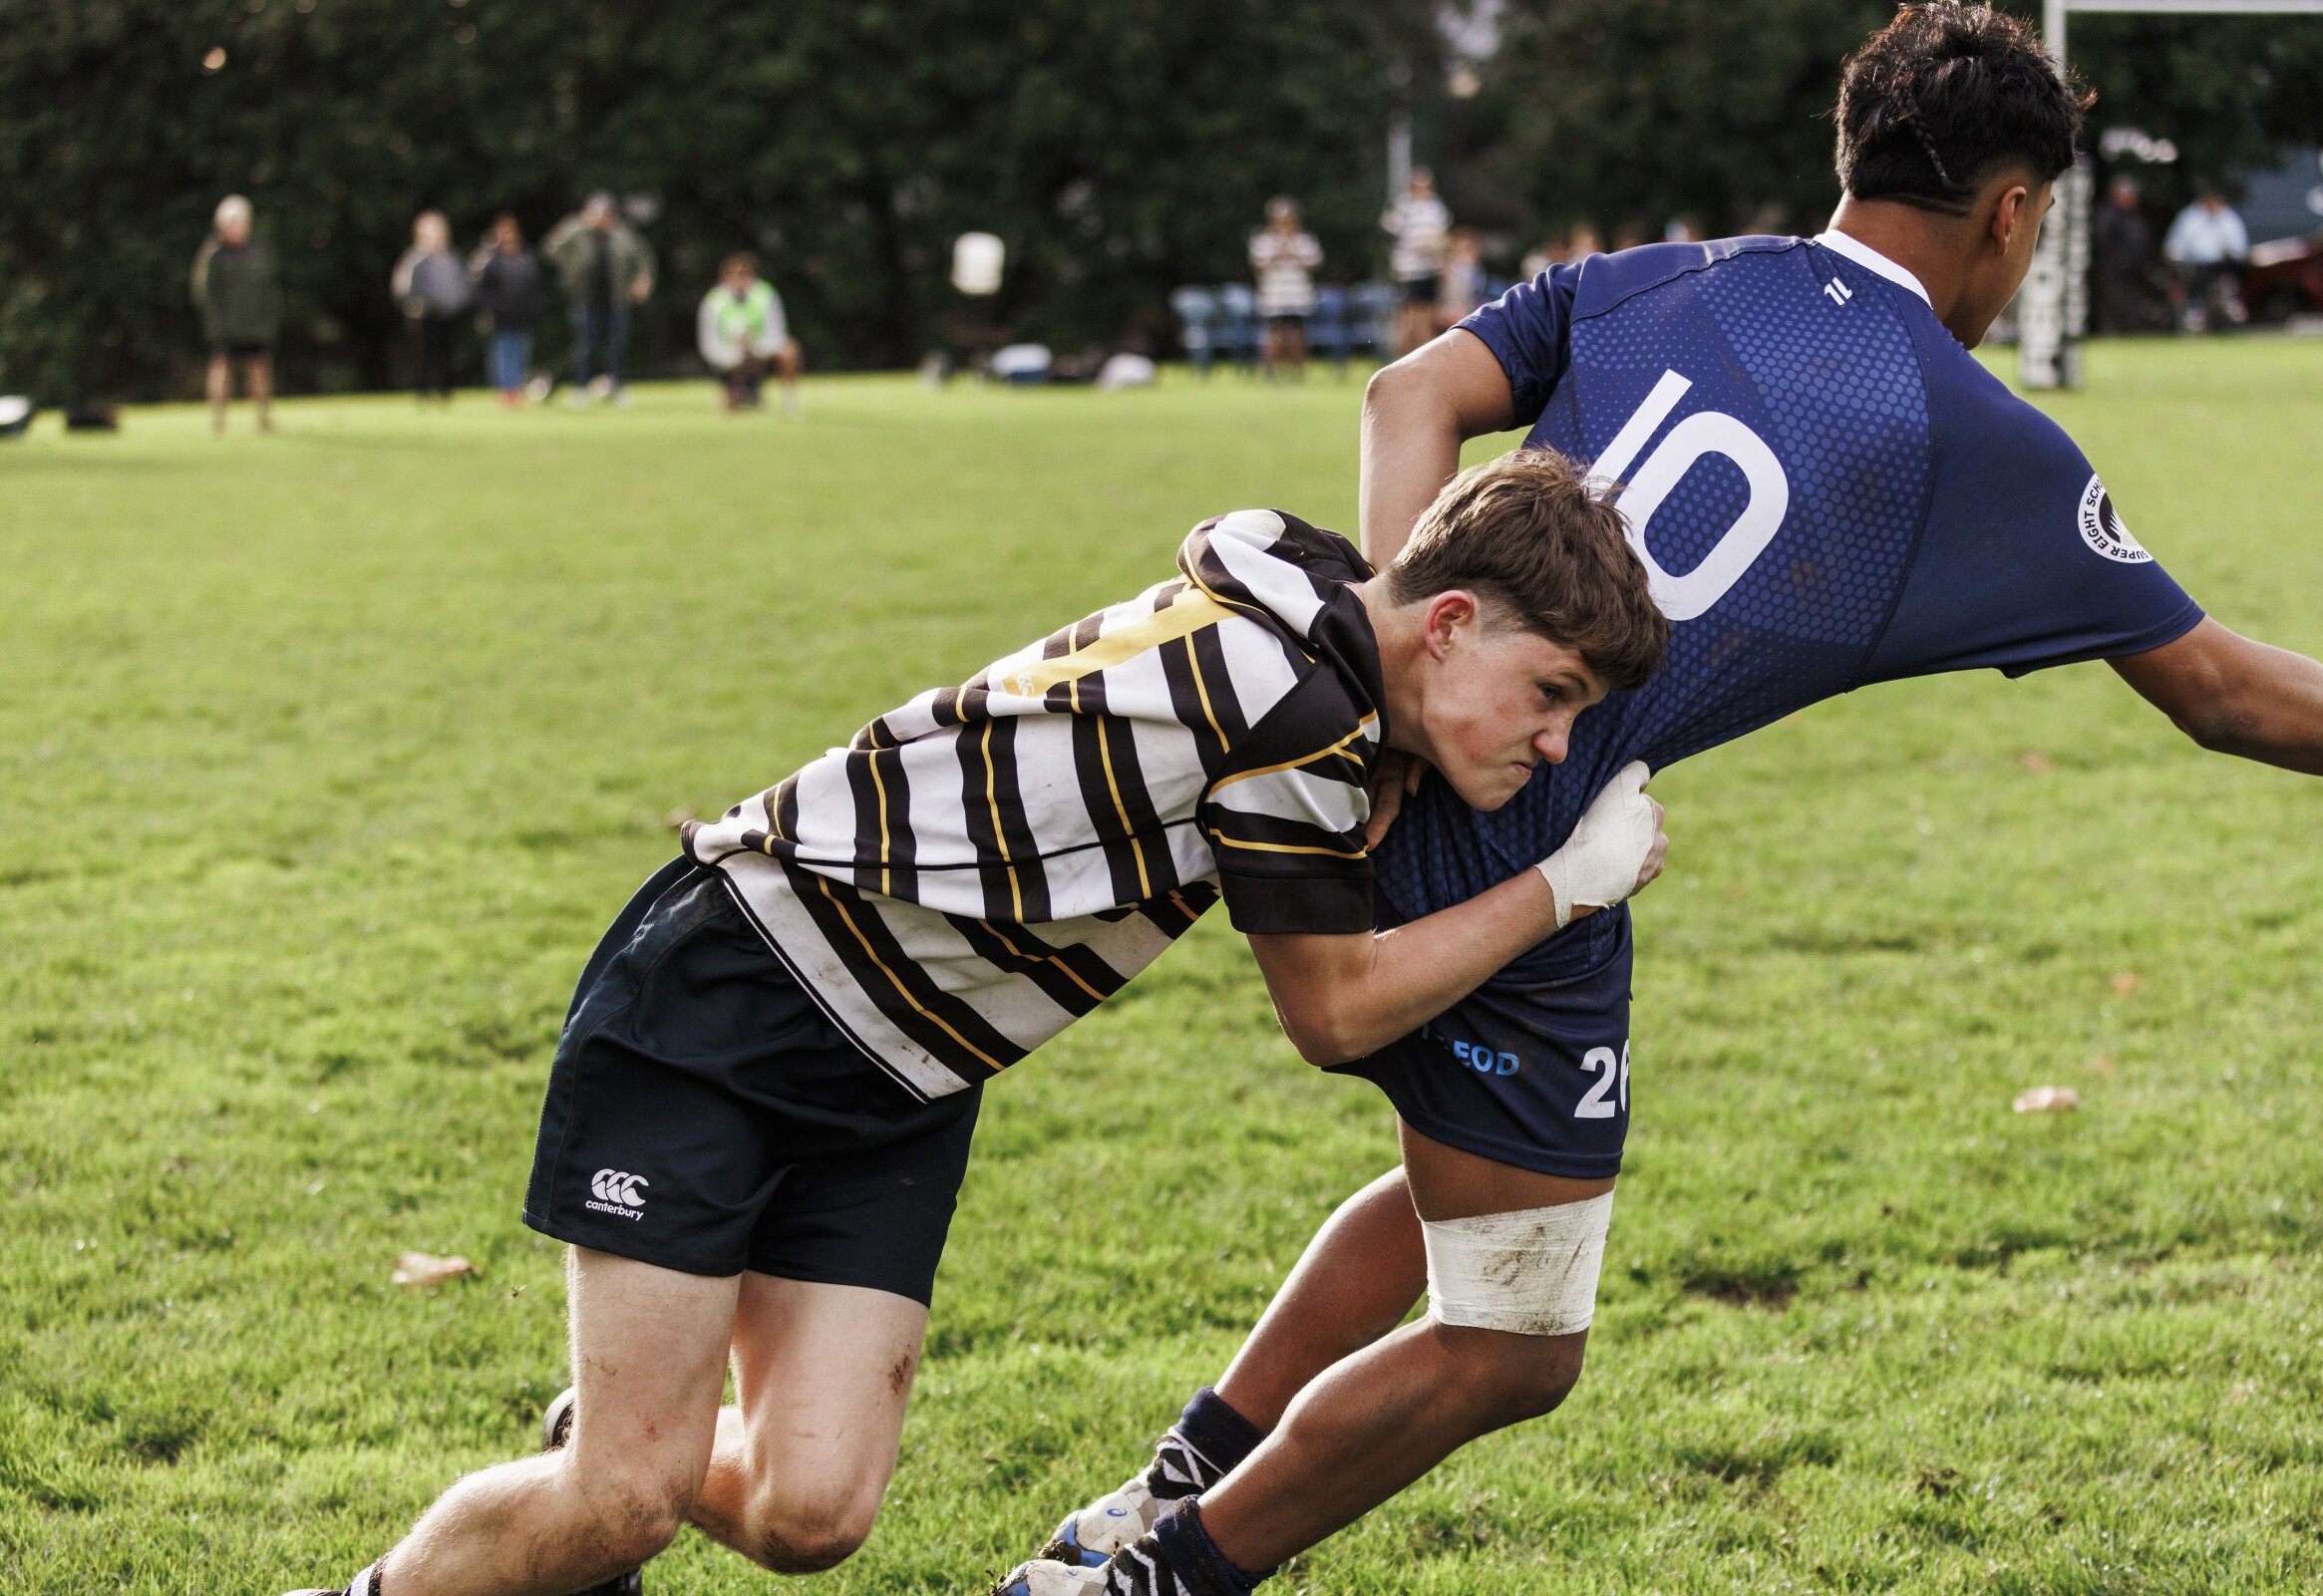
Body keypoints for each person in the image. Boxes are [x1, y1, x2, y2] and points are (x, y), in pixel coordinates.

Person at [1002, 9, 2323, 1596]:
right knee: (1513, 1339)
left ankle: (1170, 1484)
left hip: (1369, 767)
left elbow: (1407, 394)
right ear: (2014, 213)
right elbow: (2221, 689)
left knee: (1475, 1191)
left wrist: (1394, 697)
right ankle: (1141, 1581)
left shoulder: (1666, 274)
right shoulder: (1972, 435)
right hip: (1522, 834)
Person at [278, 449, 1678, 1596]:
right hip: (737, 997)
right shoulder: (1297, 719)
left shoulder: (1307, 596)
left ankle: (606, 1434)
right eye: (1552, 693)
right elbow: (1338, 1012)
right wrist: (1569, 883)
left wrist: (1403, 746)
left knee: (808, 1515)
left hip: (907, 1076)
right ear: (1447, 623)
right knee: (626, 1503)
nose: (1557, 742)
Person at [542, 191, 655, 407]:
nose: (602, 218)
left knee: (616, 345)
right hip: (585, 298)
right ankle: (580, 388)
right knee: (583, 346)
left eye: (606, 213)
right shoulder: (577, 232)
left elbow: (643, 258)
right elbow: (551, 249)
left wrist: (643, 279)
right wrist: (570, 266)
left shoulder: (623, 234)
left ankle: (617, 387)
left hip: (616, 298)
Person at [190, 194, 277, 436]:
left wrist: (267, 316)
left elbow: (268, 288)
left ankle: (264, 418)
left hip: (254, 325)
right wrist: (213, 319)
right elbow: (203, 290)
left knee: (259, 367)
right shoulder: (214, 254)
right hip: (226, 327)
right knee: (221, 367)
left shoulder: (257, 252)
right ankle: (218, 421)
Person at [696, 252, 802, 414]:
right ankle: (738, 392)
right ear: (726, 276)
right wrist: (734, 355)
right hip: (729, 360)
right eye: (737, 274)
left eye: (746, 273)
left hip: (759, 354)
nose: (742, 279)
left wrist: (755, 348)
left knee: (789, 349)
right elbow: (708, 344)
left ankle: (788, 399)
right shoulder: (714, 301)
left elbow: (777, 332)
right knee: (733, 407)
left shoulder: (765, 294)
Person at [391, 210, 473, 405]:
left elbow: (461, 285)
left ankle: (445, 391)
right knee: (423, 356)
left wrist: (459, 304)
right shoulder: (415, 257)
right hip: (423, 315)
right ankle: (422, 392)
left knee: (446, 356)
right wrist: (409, 303)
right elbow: (401, 285)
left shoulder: (451, 257)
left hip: (448, 315)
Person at [469, 213, 544, 408]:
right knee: (502, 356)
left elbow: (536, 287)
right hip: (500, 318)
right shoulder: (490, 261)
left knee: (522, 355)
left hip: (523, 317)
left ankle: (518, 390)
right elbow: (477, 283)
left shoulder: (526, 259)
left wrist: (533, 307)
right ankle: (505, 392)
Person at [1248, 197, 1324, 382]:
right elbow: (1259, 264)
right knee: (1274, 334)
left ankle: (1297, 370)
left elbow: (1314, 262)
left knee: (1298, 333)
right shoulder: (1264, 240)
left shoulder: (1304, 240)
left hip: (1298, 295)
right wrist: (1280, 251)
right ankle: (1270, 371)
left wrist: (1292, 251)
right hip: (1274, 295)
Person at [1381, 167, 1450, 357]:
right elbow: (1391, 230)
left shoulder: (1436, 207)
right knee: (1407, 317)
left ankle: (1422, 357)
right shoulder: (1403, 206)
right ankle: (1402, 356)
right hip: (1409, 270)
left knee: (1427, 316)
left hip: (1429, 268)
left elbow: (1441, 236)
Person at [2163, 187, 2249, 332]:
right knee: (2193, 277)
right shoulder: (2190, 218)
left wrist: (2230, 253)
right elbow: (2175, 247)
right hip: (2196, 267)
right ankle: (2195, 308)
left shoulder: (2228, 218)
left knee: (2233, 273)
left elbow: (2239, 247)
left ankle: (2232, 302)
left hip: (2222, 266)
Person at [2094, 175, 2153, 333]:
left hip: (2135, 270)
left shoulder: (2135, 215)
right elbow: (2103, 240)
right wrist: (2117, 256)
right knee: (2114, 303)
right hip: (2114, 271)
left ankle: (2130, 331)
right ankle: (2113, 332)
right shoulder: (2109, 214)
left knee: (2132, 303)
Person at [1432, 228, 1485, 330]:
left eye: (1467, 249)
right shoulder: (1448, 268)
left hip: (1465, 310)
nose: (1463, 255)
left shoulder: (1474, 270)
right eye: (1460, 250)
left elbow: (1474, 292)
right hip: (1449, 310)